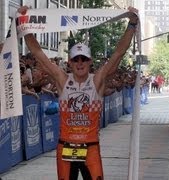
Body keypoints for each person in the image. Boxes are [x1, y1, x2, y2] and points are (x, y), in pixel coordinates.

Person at [19, 5, 138, 180]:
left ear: (90, 62)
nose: (80, 63)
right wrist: (24, 23)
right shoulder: (63, 80)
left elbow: (119, 53)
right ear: (70, 63)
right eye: (76, 59)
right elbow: (38, 53)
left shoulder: (97, 80)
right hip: (65, 147)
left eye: (84, 59)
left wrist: (132, 25)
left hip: (90, 148)